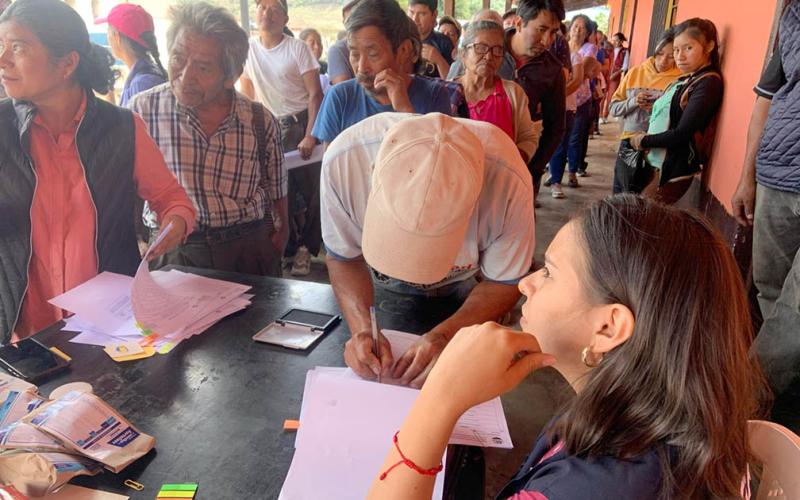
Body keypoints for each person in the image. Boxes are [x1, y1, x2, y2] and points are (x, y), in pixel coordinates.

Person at [367, 194, 765, 499]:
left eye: (550, 273)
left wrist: (440, 400)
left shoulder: (587, 488)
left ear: (608, 328)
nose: (527, 283)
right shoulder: (670, 415)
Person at [0, 0, 195, 342]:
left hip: (107, 329)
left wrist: (174, 223)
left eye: (18, 47)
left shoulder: (122, 128)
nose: (3, 61)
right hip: (20, 334)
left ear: (67, 63)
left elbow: (172, 200)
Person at [322, 113, 534, 389]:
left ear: (475, 199)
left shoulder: (508, 180)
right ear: (373, 173)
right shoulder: (345, 163)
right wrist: (363, 328)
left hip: (466, 287)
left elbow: (504, 281)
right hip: (380, 287)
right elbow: (343, 258)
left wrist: (446, 335)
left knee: (455, 383)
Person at [130, 1, 288, 278]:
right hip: (173, 250)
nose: (185, 76)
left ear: (231, 77)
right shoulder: (141, 112)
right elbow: (125, 189)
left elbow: (277, 190)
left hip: (246, 249)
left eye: (203, 68)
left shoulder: (259, 121)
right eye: (178, 58)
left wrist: (279, 237)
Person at [732, 0, 800, 396]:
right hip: (776, 175)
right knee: (769, 290)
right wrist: (747, 176)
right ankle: (776, 405)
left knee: (795, 312)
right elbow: (767, 99)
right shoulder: (793, 16)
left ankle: (739, 400)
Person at [240, 0, 323, 277]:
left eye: (275, 8)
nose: (267, 12)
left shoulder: (296, 48)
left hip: (299, 126)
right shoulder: (248, 51)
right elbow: (248, 94)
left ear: (285, 16)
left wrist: (311, 134)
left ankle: (306, 249)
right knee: (278, 192)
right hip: (268, 129)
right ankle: (288, 247)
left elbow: (315, 94)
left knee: (314, 192)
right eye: (262, 6)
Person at [311, 0, 452, 145]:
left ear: (404, 50)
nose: (361, 68)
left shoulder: (435, 96)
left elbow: (436, 164)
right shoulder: (339, 98)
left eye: (373, 54)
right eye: (355, 54)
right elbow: (331, 165)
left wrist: (405, 111)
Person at [630, 18, 723, 205]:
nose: (680, 56)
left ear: (710, 46)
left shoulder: (708, 82)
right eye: (677, 50)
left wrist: (643, 140)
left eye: (688, 48)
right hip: (658, 163)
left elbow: (682, 134)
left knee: (644, 218)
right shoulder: (689, 79)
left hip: (674, 169)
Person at [453, 20, 540, 163]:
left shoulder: (513, 93)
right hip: (457, 180)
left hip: (500, 180)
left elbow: (528, 137)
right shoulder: (447, 92)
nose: (488, 56)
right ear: (463, 54)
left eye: (497, 50)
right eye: (480, 47)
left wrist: (515, 161)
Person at [507, 0, 567, 197]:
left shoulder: (552, 71)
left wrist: (534, 168)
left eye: (553, 32)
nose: (547, 40)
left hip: (522, 164)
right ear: (518, 23)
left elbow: (555, 127)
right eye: (541, 29)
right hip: (476, 158)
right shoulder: (489, 50)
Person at [609, 30, 681, 193]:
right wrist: (634, 101)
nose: (664, 60)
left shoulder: (678, 80)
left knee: (641, 199)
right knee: (619, 194)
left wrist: (657, 108)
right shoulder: (635, 73)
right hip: (629, 143)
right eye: (660, 53)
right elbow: (613, 108)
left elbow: (679, 118)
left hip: (657, 147)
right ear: (655, 51)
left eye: (671, 56)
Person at [543, 25, 587, 199]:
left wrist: (555, 97)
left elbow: (576, 81)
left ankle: (556, 182)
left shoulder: (574, 57)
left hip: (566, 107)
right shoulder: (542, 57)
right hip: (545, 108)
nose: (554, 38)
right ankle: (548, 177)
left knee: (561, 146)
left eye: (556, 33)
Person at [95, 4, 166, 107]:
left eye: (108, 31)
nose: (107, 37)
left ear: (117, 37)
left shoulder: (142, 84)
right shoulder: (145, 76)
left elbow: (135, 123)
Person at [446, 10, 516, 81]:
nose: (488, 57)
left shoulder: (508, 60)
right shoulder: (461, 62)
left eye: (496, 27)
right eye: (482, 26)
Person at [568, 15, 597, 179]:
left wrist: (572, 73)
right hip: (563, 98)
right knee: (559, 137)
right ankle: (555, 174)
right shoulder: (561, 45)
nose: (577, 30)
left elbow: (583, 69)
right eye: (575, 26)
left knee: (575, 137)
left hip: (581, 99)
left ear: (587, 32)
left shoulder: (590, 48)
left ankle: (572, 171)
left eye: (582, 28)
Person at [408, 0, 453, 78]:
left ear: (434, 14)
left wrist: (439, 60)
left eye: (422, 14)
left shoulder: (444, 43)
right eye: (411, 12)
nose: (415, 19)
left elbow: (453, 83)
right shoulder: (399, 38)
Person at [327, 0, 361, 85]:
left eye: (358, 19)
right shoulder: (338, 50)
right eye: (349, 21)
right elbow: (344, 90)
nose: (353, 25)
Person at [602, 31, 629, 120]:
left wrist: (615, 74)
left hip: (615, 76)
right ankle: (599, 116)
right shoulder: (609, 50)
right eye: (613, 40)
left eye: (616, 40)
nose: (614, 42)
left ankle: (605, 116)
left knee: (610, 96)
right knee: (602, 95)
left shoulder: (625, 51)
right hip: (606, 75)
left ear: (621, 41)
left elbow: (625, 67)